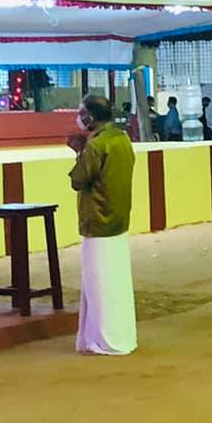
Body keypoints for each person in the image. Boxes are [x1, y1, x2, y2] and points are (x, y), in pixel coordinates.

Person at [67, 94, 137, 356]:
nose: (79, 117)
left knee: (98, 285)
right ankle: (116, 334)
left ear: (90, 117)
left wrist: (78, 152)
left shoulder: (96, 145)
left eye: (81, 112)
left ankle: (103, 338)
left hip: (97, 221)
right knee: (115, 282)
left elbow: (78, 179)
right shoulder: (122, 138)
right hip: (119, 218)